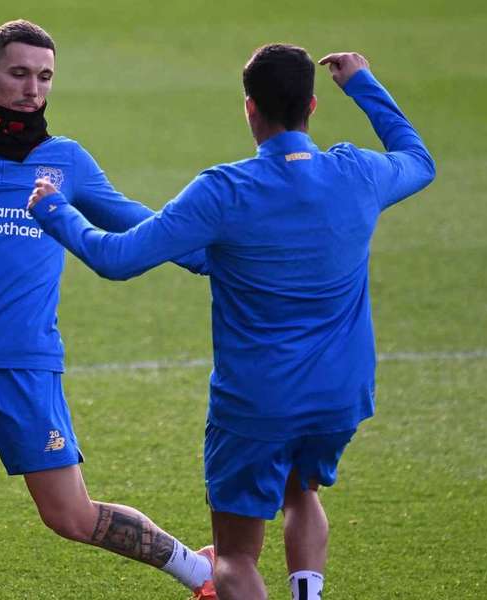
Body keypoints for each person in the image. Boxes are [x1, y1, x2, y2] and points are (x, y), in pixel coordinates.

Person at [28, 46, 436, 600]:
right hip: (340, 394)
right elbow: (418, 157)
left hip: (257, 404)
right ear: (312, 104)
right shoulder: (358, 172)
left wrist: (56, 211)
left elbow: (117, 259)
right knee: (301, 490)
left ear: (250, 109)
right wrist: (364, 84)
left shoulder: (224, 191)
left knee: (235, 556)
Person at [0, 19, 215, 600]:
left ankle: (197, 571)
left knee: (70, 518)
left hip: (28, 370)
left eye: (44, 76)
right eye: (19, 73)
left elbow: (138, 224)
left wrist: (215, 259)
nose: (33, 88)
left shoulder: (67, 162)